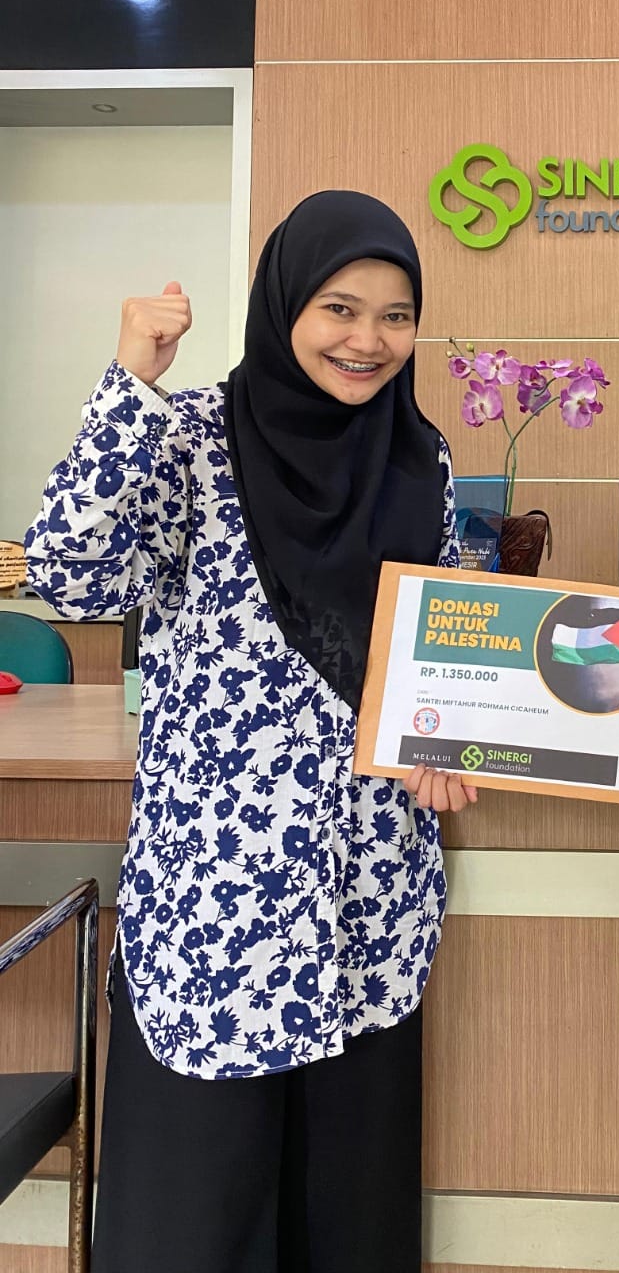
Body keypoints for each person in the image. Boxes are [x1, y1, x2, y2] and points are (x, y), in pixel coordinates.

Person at [25, 191, 475, 1273]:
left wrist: (449, 738)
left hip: (369, 896)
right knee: (199, 1215)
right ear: (284, 306)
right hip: (220, 907)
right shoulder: (188, 438)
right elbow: (69, 576)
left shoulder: (422, 458)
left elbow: (443, 635)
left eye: (397, 315)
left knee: (344, 1210)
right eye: (339, 308)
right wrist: (130, 382)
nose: (368, 340)